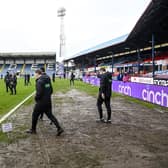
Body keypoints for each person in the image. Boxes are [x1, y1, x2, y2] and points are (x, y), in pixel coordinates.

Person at [26, 69, 64, 136]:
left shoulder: (39, 81)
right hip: (48, 101)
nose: (34, 75)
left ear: (38, 73)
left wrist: (36, 98)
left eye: (35, 74)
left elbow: (39, 93)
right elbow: (51, 90)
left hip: (41, 102)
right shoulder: (47, 80)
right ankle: (59, 128)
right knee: (50, 115)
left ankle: (33, 129)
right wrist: (46, 96)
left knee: (34, 115)